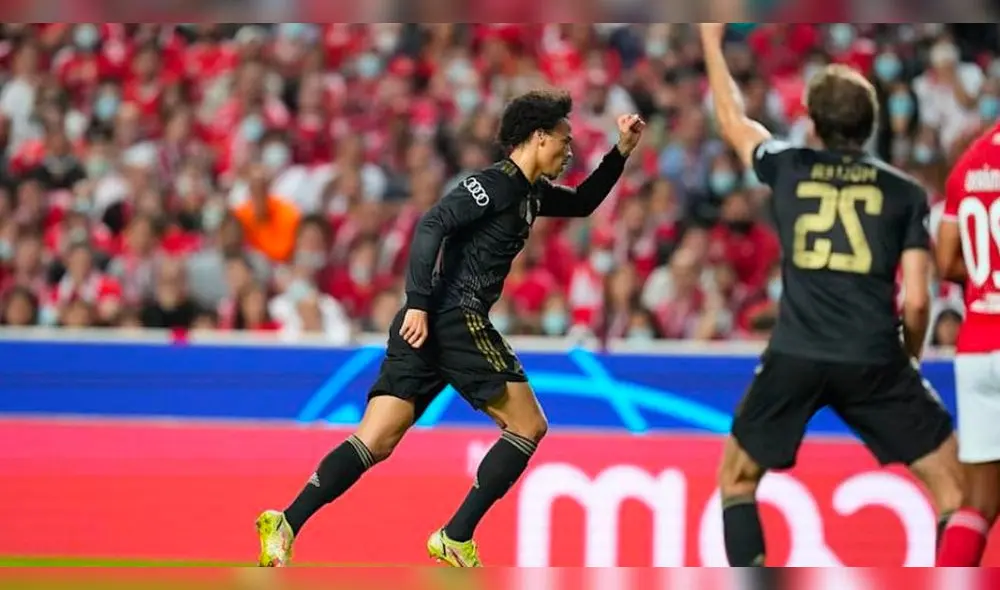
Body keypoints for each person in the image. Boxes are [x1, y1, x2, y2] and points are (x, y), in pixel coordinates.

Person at [254, 90, 645, 567]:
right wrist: (417, 303)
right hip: (454, 317)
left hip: (429, 324)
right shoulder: (494, 185)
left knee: (375, 439)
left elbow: (584, 202)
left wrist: (621, 149)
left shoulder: (529, 194)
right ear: (538, 137)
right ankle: (455, 536)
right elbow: (431, 223)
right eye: (564, 141)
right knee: (528, 426)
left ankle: (286, 521)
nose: (569, 151)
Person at [699, 23, 962, 567]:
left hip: (795, 351)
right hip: (873, 356)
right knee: (956, 496)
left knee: (737, 479)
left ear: (813, 125)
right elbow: (917, 301)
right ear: (869, 128)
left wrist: (708, 40)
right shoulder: (905, 192)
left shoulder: (790, 166)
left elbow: (733, 121)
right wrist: (905, 358)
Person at [934, 120, 1000, 566]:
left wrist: (984, 281)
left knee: (977, 504)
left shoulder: (969, 163)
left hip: (977, 344)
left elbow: (946, 260)